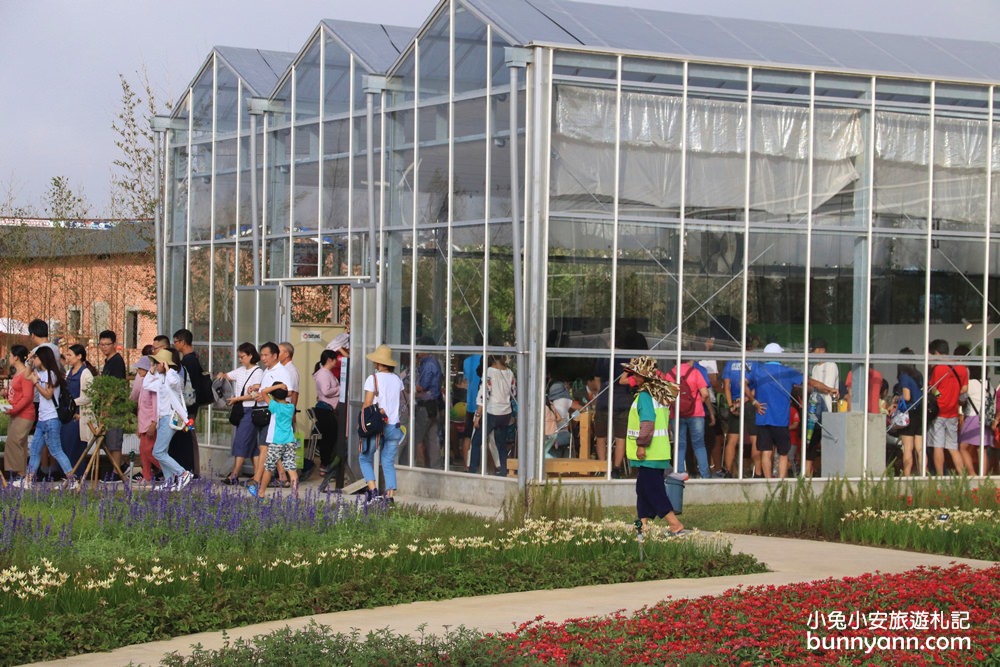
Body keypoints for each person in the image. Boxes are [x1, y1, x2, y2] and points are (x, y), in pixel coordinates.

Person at [620, 355, 687, 537]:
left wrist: (641, 445)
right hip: (658, 452)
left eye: (635, 374)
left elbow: (648, 423)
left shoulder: (644, 396)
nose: (633, 377)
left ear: (643, 376)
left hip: (649, 453)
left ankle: (675, 524)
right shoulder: (658, 394)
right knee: (642, 489)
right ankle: (642, 526)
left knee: (653, 490)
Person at [17, 346, 77, 489]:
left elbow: (48, 395)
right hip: (42, 419)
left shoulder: (51, 374)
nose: (35, 359)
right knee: (35, 450)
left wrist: (36, 383)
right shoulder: (39, 372)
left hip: (51, 419)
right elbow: (26, 376)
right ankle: (28, 480)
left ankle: (72, 480)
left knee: (56, 450)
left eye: (36, 357)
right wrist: (30, 362)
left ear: (43, 358)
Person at [359, 344, 406, 503]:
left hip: (377, 426)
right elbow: (399, 402)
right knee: (387, 461)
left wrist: (362, 423)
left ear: (378, 363)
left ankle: (373, 492)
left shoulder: (373, 379)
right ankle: (390, 497)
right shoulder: (398, 380)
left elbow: (367, 403)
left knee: (365, 458)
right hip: (394, 426)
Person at [749, 343, 803, 479]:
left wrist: (754, 401)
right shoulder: (787, 371)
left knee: (766, 452)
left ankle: (768, 481)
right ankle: (781, 481)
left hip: (763, 418)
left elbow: (742, 384)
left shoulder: (759, 371)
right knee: (783, 454)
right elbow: (807, 382)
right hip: (781, 420)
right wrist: (826, 388)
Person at [142, 348, 194, 491]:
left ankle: (182, 473)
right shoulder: (161, 379)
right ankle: (169, 481)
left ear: (164, 363)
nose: (155, 365)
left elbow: (173, 383)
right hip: (163, 418)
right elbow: (146, 385)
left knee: (158, 452)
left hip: (169, 417)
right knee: (162, 451)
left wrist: (167, 369)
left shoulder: (173, 376)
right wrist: (151, 371)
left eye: (157, 362)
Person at [246, 342, 291, 496]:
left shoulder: (282, 371)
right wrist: (258, 388)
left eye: (266, 355)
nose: (263, 358)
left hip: (272, 413)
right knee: (267, 447)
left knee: (265, 447)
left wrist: (266, 395)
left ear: (275, 355)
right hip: (264, 411)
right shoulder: (268, 370)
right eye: (262, 355)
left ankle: (257, 480)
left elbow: (287, 391)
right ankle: (282, 477)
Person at [218, 342, 263, 485]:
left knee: (241, 441)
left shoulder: (258, 372)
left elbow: (255, 394)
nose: (241, 359)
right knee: (252, 445)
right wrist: (221, 375)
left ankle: (235, 473)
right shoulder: (241, 370)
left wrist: (237, 398)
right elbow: (227, 376)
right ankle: (257, 476)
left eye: (242, 356)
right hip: (241, 410)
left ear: (250, 356)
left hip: (250, 409)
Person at [664, 359, 715, 479]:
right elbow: (705, 393)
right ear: (690, 360)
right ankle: (705, 475)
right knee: (699, 444)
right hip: (696, 413)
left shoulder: (670, 375)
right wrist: (696, 403)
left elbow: (667, 398)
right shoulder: (695, 372)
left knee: (680, 445)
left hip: (676, 414)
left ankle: (679, 474)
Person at [469, 355, 517, 476]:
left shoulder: (489, 372)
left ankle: (473, 470)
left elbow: (484, 394)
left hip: (492, 411)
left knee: (476, 441)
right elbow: (514, 392)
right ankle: (503, 470)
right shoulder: (509, 372)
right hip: (505, 412)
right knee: (501, 443)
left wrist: (478, 415)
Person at [927, 339, 969, 476]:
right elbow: (964, 389)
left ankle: (940, 477)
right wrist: (954, 393)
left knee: (938, 446)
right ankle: (962, 476)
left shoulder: (938, 368)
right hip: (953, 412)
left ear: (937, 352)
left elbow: (932, 389)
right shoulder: (962, 369)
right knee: (953, 447)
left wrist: (939, 395)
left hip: (939, 412)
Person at [172, 329, 206, 475]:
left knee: (188, 436)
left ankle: (190, 469)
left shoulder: (188, 361)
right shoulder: (194, 359)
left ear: (183, 342)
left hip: (188, 406)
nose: (174, 344)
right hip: (191, 405)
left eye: (176, 341)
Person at [256, 384, 299, 498]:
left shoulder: (274, 406)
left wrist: (278, 386)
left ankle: (261, 492)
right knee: (291, 469)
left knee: (269, 468)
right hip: (290, 441)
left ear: (274, 396)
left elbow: (264, 391)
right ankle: (295, 495)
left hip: (276, 441)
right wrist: (283, 388)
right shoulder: (291, 407)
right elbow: (293, 393)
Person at [954, 345, 991, 475]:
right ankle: (983, 475)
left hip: (973, 418)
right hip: (986, 419)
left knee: (963, 447)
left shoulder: (972, 384)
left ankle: (972, 474)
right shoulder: (988, 384)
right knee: (982, 449)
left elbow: (962, 398)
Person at [805, 338, 839, 477]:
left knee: (828, 442)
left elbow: (828, 388)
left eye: (814, 350)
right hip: (814, 409)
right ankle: (807, 473)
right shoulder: (815, 368)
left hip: (828, 409)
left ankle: (830, 473)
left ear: (822, 350)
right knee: (811, 441)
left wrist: (816, 386)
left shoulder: (831, 365)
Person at [61, 344, 96, 470]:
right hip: (68, 415)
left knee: (76, 447)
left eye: (70, 355)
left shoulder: (85, 373)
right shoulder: (69, 372)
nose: (67, 357)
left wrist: (72, 403)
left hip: (79, 415)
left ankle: (78, 474)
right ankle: (69, 474)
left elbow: (88, 396)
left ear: (79, 356)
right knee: (65, 444)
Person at [129, 345, 160, 484]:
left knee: (149, 451)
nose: (138, 371)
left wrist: (154, 423)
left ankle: (169, 471)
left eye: (141, 369)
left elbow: (155, 406)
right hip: (143, 424)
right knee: (143, 451)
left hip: (150, 424)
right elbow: (141, 406)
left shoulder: (152, 384)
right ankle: (147, 476)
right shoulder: (143, 383)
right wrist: (139, 427)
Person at [4, 345, 35, 483]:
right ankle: (21, 473)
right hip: (15, 413)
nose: (9, 358)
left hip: (24, 414)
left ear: (16, 357)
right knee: (19, 443)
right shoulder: (16, 373)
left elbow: (28, 397)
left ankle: (20, 473)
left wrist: (14, 409)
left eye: (10, 355)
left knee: (14, 441)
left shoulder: (25, 374)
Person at [891, 348, 923, 477]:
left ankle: (907, 475)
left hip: (909, 414)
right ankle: (922, 474)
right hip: (920, 413)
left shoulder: (904, 376)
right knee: (920, 449)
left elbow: (907, 396)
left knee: (908, 448)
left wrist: (896, 398)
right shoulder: (918, 375)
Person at [313, 349, 343, 486]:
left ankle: (327, 463)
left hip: (327, 409)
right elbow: (326, 391)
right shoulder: (324, 373)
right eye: (335, 359)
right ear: (330, 360)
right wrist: (340, 389)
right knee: (329, 438)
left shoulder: (325, 373)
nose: (337, 362)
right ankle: (325, 464)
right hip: (325, 409)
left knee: (330, 437)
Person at [98, 330, 127, 472]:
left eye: (107, 344)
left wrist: (108, 405)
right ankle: (119, 466)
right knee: (107, 440)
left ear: (114, 344)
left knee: (114, 440)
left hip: (115, 407)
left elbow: (117, 386)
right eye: (101, 344)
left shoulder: (117, 361)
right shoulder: (107, 361)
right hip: (106, 405)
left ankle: (117, 471)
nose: (104, 347)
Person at [414, 339, 444, 469]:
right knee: (432, 438)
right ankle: (435, 466)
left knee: (417, 437)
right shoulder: (435, 362)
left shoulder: (428, 364)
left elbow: (422, 386)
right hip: (434, 405)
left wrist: (412, 389)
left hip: (425, 406)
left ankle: (419, 465)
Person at [461, 349, 484, 468]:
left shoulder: (466, 361)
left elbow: (465, 382)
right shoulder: (486, 358)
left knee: (468, 435)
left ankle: (466, 465)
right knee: (486, 437)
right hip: (484, 404)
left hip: (471, 403)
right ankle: (489, 467)